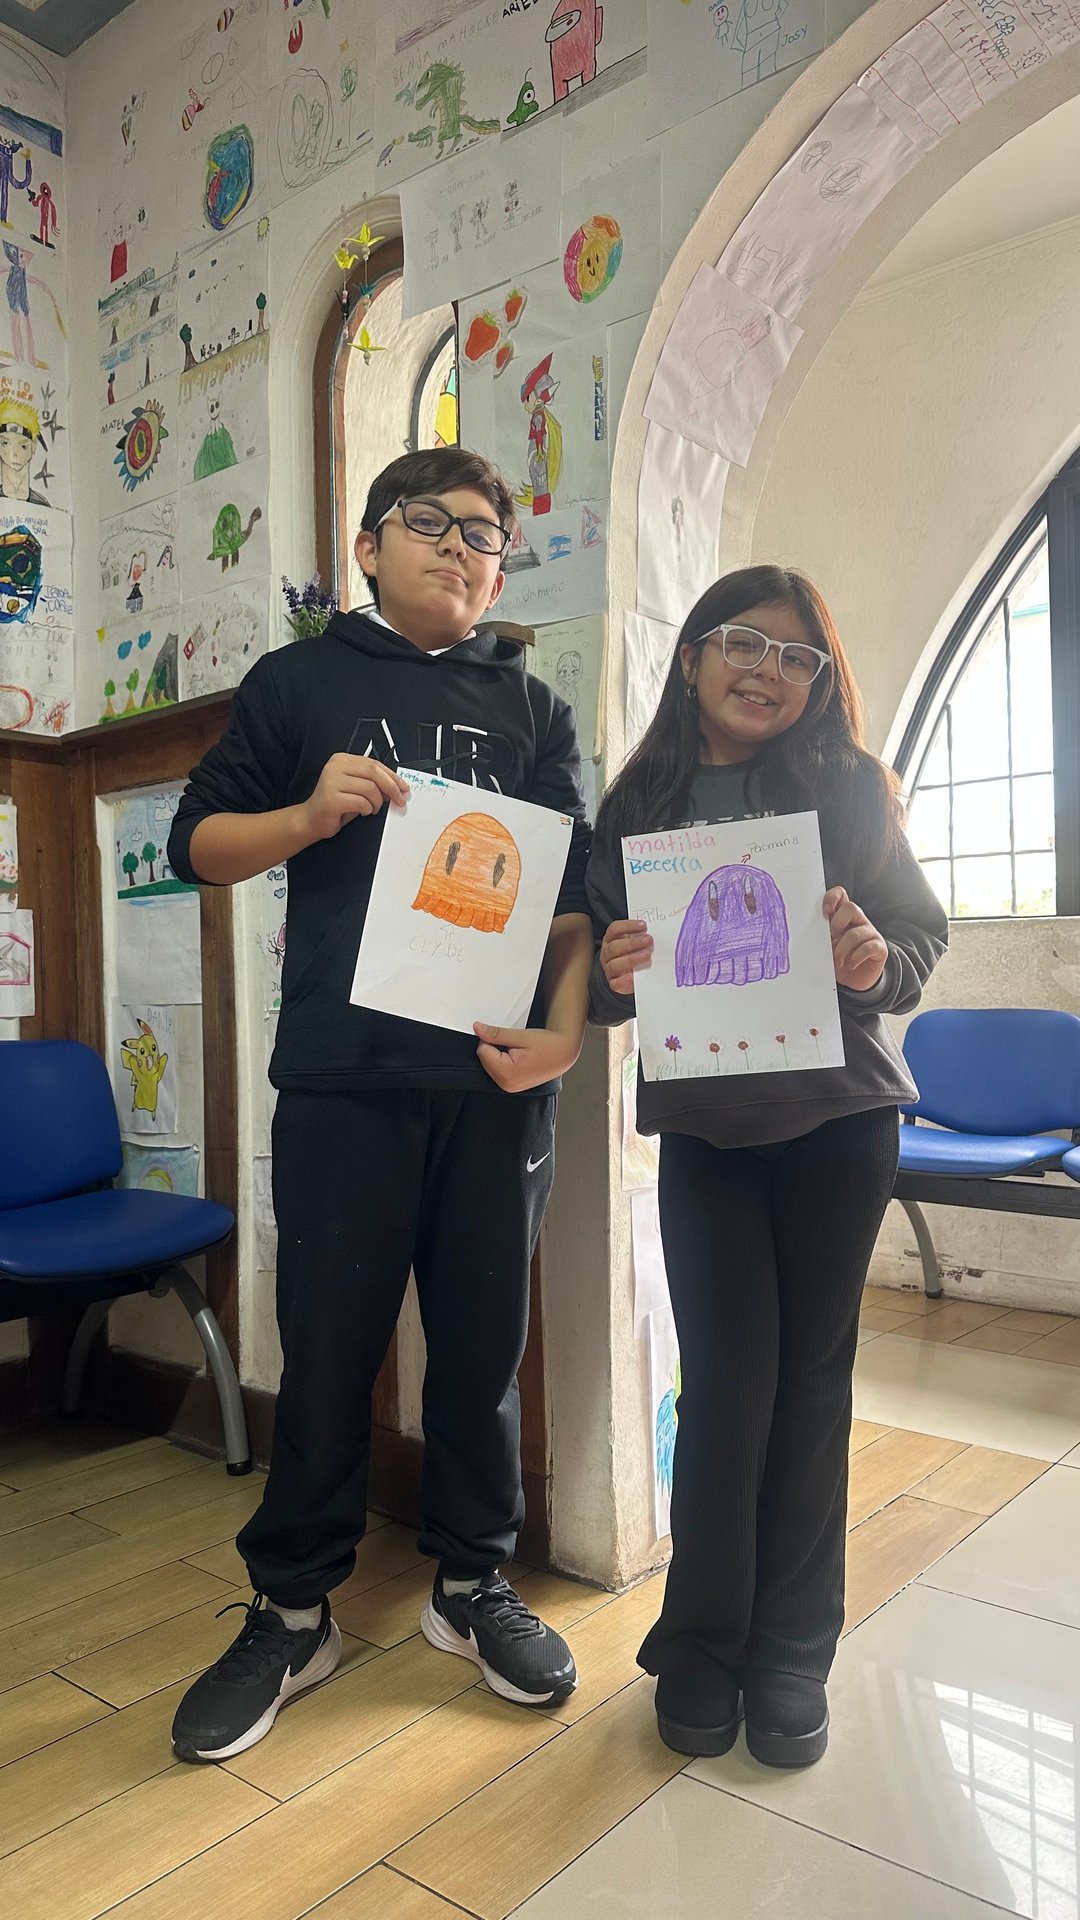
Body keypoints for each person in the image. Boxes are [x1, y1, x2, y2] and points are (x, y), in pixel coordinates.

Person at [166, 448, 593, 1763]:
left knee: (480, 1349)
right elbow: (197, 844)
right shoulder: (299, 683)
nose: (461, 547)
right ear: (366, 547)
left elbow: (574, 894)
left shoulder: (532, 706)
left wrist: (566, 1034)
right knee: (328, 1346)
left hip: (491, 1084)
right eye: (429, 522)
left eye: (485, 536)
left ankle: (471, 1585)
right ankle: (294, 1611)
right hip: (343, 1077)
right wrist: (306, 813)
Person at [587, 566, 948, 1769]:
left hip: (841, 1122)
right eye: (745, 643)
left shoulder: (848, 787)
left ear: (819, 684)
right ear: (694, 654)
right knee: (726, 1388)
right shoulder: (639, 801)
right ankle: (701, 1644)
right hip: (709, 1131)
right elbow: (599, 976)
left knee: (809, 1386)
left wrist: (872, 962)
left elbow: (917, 936)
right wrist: (615, 975)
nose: (768, 672)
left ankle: (793, 1651)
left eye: (799, 659)